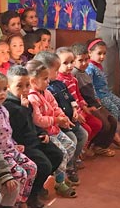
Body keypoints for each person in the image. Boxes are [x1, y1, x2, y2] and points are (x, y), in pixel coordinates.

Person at [4, 65, 62, 208]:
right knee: (43, 165)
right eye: (19, 86)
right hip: (22, 144)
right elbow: (16, 128)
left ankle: (36, 186)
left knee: (57, 155)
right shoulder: (8, 106)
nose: (24, 89)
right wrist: (23, 109)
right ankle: (30, 197)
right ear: (9, 86)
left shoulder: (25, 101)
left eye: (27, 85)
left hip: (35, 139)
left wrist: (42, 133)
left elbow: (32, 123)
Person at [0, 71, 39, 208]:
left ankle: (21, 201)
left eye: (4, 89)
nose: (2, 93)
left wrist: (14, 144)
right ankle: (11, 206)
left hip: (10, 149)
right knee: (20, 174)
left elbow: (6, 132)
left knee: (31, 168)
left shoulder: (3, 108)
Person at [26, 60, 78, 198]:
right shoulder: (32, 98)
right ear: (33, 81)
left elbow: (55, 107)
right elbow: (38, 120)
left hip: (55, 129)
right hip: (47, 134)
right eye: (44, 79)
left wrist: (63, 118)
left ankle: (59, 174)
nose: (48, 81)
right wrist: (56, 120)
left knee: (71, 146)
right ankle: (60, 183)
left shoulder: (46, 92)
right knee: (62, 154)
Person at [36, 51, 89, 183]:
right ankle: (63, 173)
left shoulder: (59, 84)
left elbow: (69, 99)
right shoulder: (44, 91)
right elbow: (44, 116)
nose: (57, 72)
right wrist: (60, 120)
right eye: (55, 70)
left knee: (83, 134)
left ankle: (70, 165)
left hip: (68, 121)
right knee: (72, 139)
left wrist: (75, 109)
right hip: (55, 127)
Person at [55, 46, 114, 155]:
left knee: (97, 124)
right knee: (87, 130)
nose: (70, 66)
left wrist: (84, 107)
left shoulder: (73, 79)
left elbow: (78, 96)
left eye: (71, 62)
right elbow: (65, 102)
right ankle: (79, 152)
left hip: (80, 109)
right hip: (71, 114)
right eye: (65, 63)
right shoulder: (59, 81)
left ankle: (84, 147)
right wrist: (77, 111)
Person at [71, 42, 120, 149]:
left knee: (112, 121)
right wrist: (86, 107)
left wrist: (97, 100)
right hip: (88, 106)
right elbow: (77, 95)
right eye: (81, 60)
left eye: (86, 59)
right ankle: (94, 146)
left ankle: (102, 147)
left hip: (95, 103)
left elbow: (91, 90)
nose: (85, 63)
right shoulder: (74, 75)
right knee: (104, 125)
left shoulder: (84, 72)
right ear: (74, 61)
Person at [86, 39, 120, 136]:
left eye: (104, 53)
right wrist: (96, 98)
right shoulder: (90, 67)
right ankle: (114, 132)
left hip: (106, 93)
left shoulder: (98, 66)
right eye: (99, 53)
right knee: (113, 108)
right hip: (99, 96)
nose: (102, 57)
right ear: (90, 53)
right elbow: (91, 85)